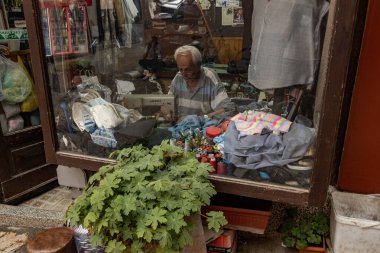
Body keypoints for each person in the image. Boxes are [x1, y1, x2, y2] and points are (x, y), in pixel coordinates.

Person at [168, 45, 235, 121]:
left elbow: (227, 109)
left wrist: (199, 119)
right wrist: (166, 111)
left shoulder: (209, 77)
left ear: (198, 65)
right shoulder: (178, 77)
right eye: (180, 69)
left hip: (202, 127)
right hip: (181, 127)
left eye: (188, 70)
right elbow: (167, 104)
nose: (184, 74)